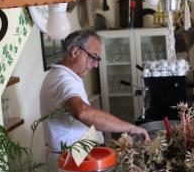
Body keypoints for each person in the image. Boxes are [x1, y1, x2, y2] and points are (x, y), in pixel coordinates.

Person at [40, 29, 150, 157]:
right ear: (75, 52)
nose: (96, 64)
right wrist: (131, 128)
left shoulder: (66, 76)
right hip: (70, 161)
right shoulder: (63, 80)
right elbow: (83, 112)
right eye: (93, 57)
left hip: (78, 155)